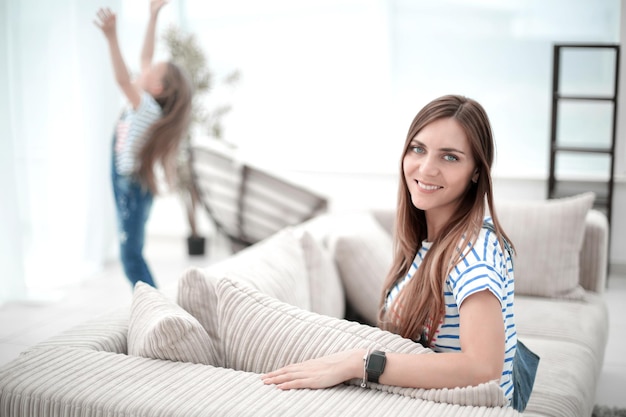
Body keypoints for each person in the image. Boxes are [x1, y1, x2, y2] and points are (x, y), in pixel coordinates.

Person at [261, 95, 537, 411]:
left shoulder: (474, 254)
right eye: (418, 149)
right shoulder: (431, 237)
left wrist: (363, 363)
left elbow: (482, 367)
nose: (426, 168)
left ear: (476, 171)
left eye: (450, 157)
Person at [94, 0, 192, 288]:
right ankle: (153, 304)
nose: (144, 69)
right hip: (128, 181)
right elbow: (146, 57)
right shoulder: (149, 103)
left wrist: (111, 38)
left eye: (151, 70)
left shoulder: (146, 106)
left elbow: (123, 79)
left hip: (131, 186)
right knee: (132, 253)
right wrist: (153, 17)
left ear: (157, 88)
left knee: (131, 257)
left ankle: (155, 306)